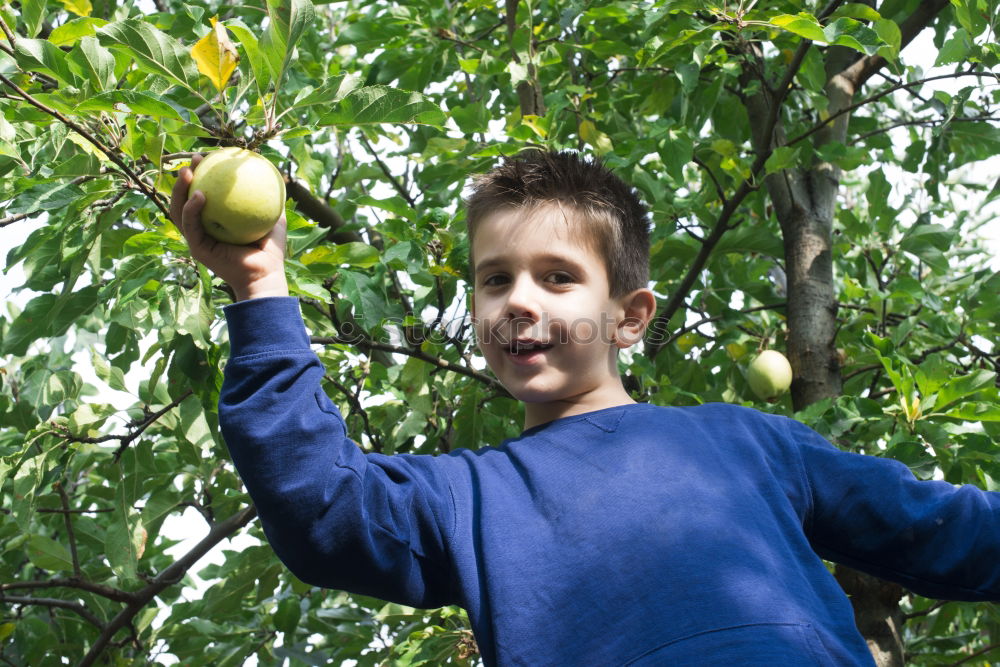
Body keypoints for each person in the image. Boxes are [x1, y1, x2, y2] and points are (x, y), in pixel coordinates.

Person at [170, 150, 1000, 666]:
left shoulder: (748, 441)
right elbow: (322, 504)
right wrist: (259, 286)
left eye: (557, 276)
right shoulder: (466, 497)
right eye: (494, 279)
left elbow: (943, 525)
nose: (518, 301)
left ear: (629, 316)